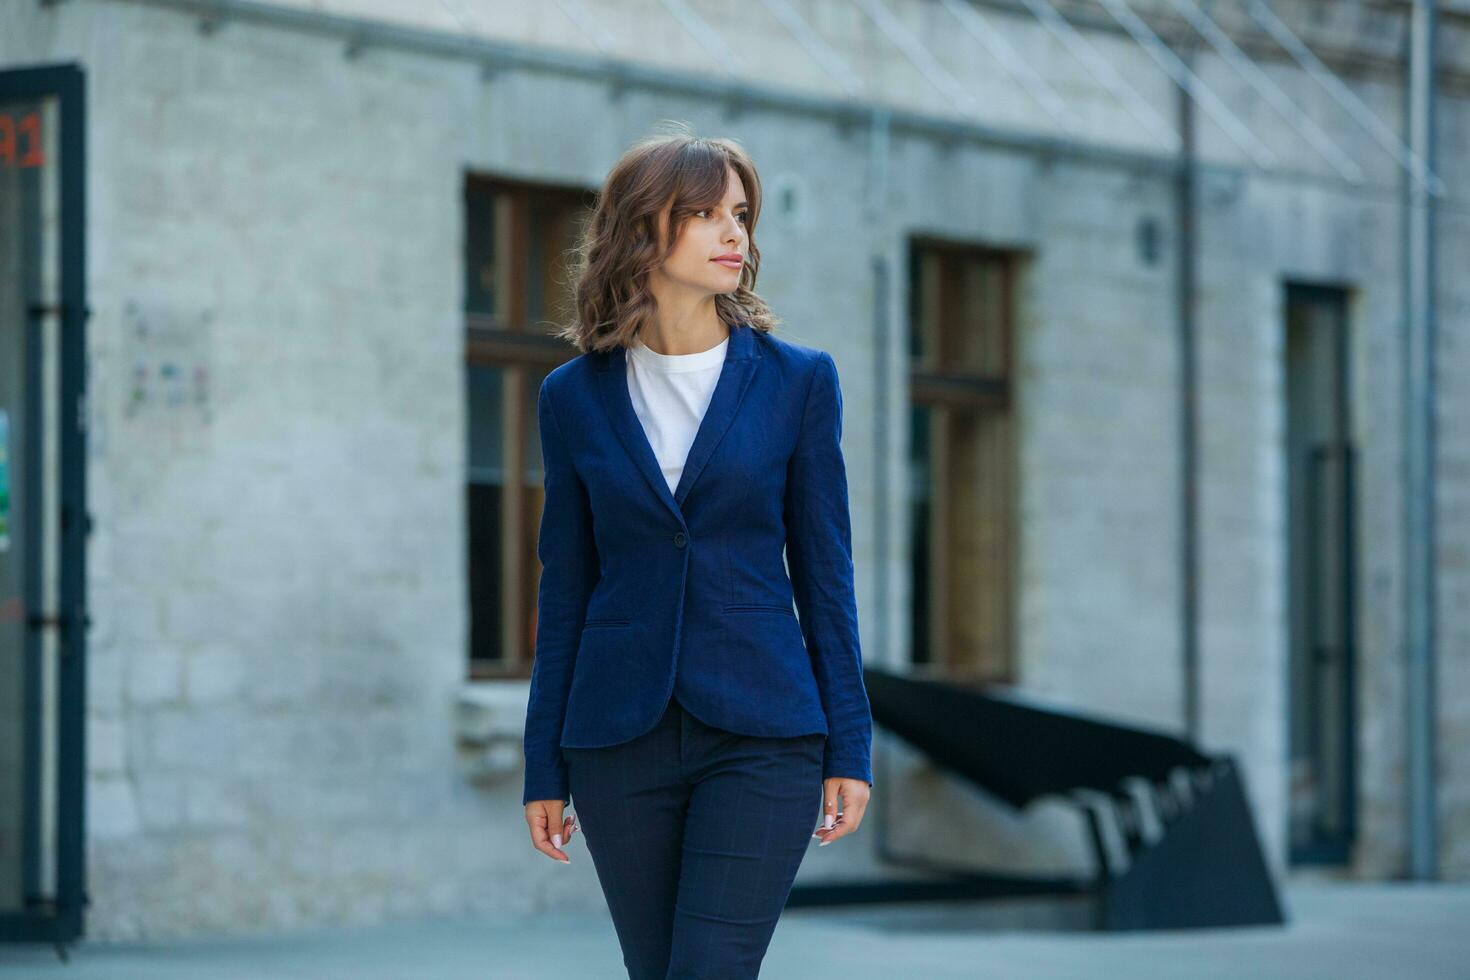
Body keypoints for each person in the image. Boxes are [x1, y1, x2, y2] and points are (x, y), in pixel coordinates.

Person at [521, 124, 874, 979]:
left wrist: (850, 745)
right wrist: (543, 762)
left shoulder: (797, 381)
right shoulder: (573, 396)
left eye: (742, 216)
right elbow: (566, 585)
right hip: (618, 739)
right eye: (708, 214)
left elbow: (825, 574)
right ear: (645, 229)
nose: (735, 236)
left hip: (764, 733)